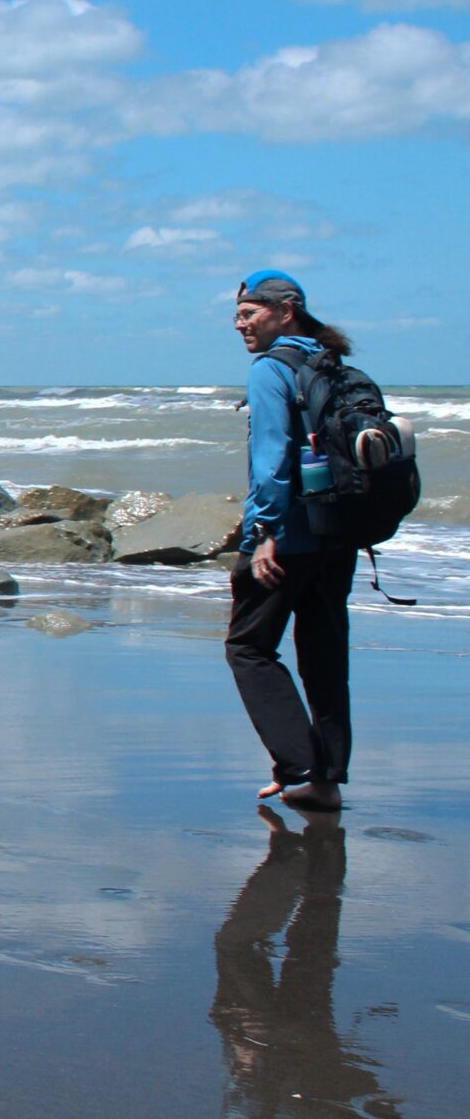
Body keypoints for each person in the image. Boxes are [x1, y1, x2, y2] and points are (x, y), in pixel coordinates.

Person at [205, 806, 395, 1119]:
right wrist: (247, 1061)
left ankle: (324, 843)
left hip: (311, 1060)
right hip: (268, 1050)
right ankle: (293, 854)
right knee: (237, 946)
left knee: (312, 946)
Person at [228, 271, 360, 812]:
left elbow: (272, 461)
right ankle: (324, 781)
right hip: (340, 537)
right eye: (237, 316)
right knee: (324, 656)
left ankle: (299, 765)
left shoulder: (271, 370)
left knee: (249, 648)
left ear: (287, 311)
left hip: (286, 540)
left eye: (250, 313)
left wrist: (262, 533)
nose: (241, 325)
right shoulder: (336, 368)